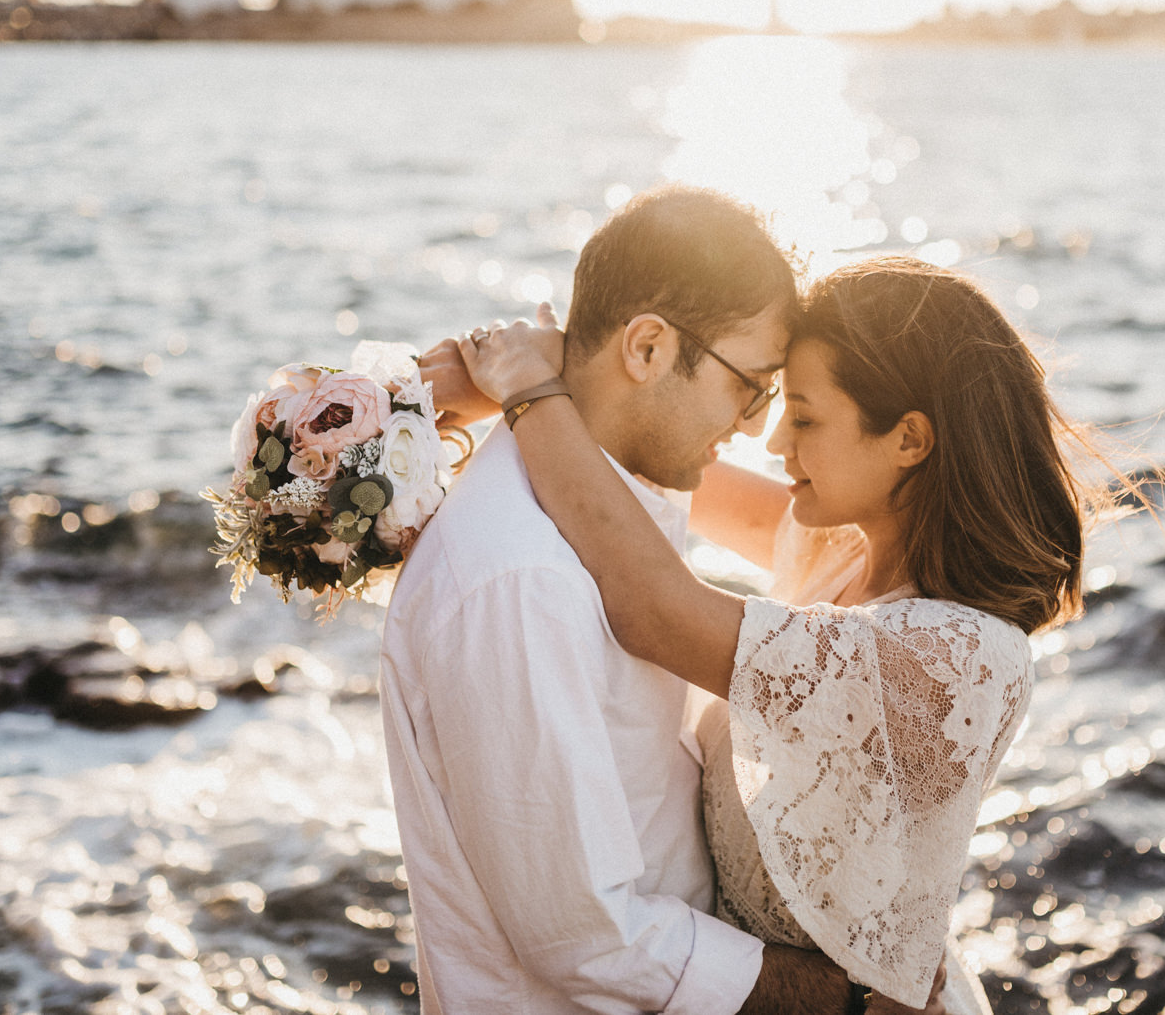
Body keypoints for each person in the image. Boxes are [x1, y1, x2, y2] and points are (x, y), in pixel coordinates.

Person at [456, 253, 1126, 1015]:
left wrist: (532, 393)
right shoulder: (841, 549)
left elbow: (652, 608)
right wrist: (582, 372)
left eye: (803, 417)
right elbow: (663, 456)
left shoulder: (954, 657)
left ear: (909, 440)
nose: (774, 442)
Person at [382, 186, 935, 1015]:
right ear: (646, 347)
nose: (755, 427)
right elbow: (592, 937)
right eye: (750, 386)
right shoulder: (520, 580)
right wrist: (849, 1005)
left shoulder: (610, 495)